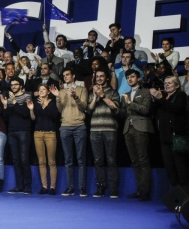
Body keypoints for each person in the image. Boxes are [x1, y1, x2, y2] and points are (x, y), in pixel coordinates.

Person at [52, 69, 88, 197]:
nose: (65, 77)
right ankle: (70, 188)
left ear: (73, 76)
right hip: (65, 126)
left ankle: (82, 188)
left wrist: (75, 97)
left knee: (81, 159)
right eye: (64, 75)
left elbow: (84, 108)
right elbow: (60, 110)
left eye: (68, 75)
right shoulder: (61, 91)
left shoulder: (82, 89)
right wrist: (57, 97)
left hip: (79, 126)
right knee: (68, 160)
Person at [150, 75, 189, 187]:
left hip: (176, 137)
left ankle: (186, 193)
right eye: (165, 83)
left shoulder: (180, 95)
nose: (166, 85)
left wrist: (160, 99)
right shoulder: (163, 98)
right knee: (169, 167)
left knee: (180, 166)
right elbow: (155, 114)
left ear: (177, 85)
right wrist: (155, 100)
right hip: (164, 137)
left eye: (169, 83)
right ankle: (176, 193)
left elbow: (176, 109)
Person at [119, 69, 154, 201]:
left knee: (143, 160)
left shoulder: (145, 92)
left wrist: (129, 103)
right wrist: (116, 109)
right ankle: (139, 189)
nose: (130, 79)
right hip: (128, 128)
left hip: (141, 128)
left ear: (138, 78)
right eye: (128, 77)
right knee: (134, 161)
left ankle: (145, 191)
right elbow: (124, 114)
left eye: (132, 77)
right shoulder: (126, 94)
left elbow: (145, 110)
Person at [87, 68, 120, 198]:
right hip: (94, 130)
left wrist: (102, 95)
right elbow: (88, 111)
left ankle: (113, 189)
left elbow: (115, 107)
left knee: (111, 160)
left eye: (102, 76)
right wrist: (95, 97)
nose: (99, 78)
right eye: (97, 77)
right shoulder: (91, 94)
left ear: (106, 78)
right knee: (98, 160)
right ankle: (100, 187)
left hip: (110, 130)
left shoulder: (113, 92)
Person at [28, 84, 59, 195]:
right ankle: (44, 186)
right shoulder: (36, 102)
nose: (41, 91)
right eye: (39, 89)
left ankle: (53, 187)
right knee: (41, 161)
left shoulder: (52, 102)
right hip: (38, 133)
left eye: (43, 89)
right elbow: (33, 119)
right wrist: (31, 110)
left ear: (48, 92)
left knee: (51, 161)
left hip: (50, 133)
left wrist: (45, 104)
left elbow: (55, 115)